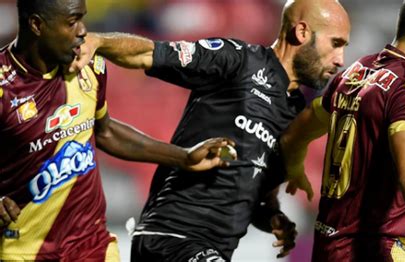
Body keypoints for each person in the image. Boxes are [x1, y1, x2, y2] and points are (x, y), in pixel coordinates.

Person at [72, 0, 350, 260]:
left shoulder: (294, 111)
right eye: (335, 43)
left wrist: (272, 217)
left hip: (211, 249)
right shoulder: (238, 61)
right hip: (171, 238)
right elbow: (148, 53)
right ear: (302, 32)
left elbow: (250, 190)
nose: (340, 60)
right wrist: (98, 41)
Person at [0, 0, 236, 261]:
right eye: (71, 22)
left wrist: (182, 157)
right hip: (23, 251)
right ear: (36, 25)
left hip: (92, 246)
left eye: (83, 18)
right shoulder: (4, 86)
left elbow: (105, 131)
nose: (82, 30)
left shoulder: (87, 64)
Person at [280, 0, 405, 261]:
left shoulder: (352, 75)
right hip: (375, 249)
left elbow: (298, 130)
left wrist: (294, 165)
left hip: (327, 248)